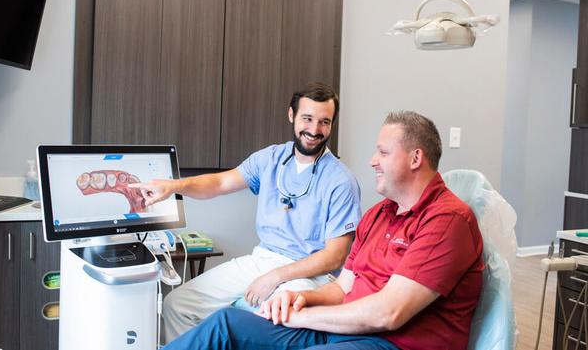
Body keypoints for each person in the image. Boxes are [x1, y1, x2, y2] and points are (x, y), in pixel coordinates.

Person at [162, 110, 485, 350]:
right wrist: (300, 298)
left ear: (415, 158)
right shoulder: (378, 215)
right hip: (346, 330)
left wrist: (300, 317)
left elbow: (389, 314)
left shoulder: (446, 220)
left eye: (383, 152)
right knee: (226, 324)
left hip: (395, 343)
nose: (372, 161)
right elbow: (342, 288)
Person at [130, 82, 361, 342]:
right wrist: (174, 186)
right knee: (178, 305)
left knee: (264, 323)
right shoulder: (270, 159)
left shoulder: (341, 181)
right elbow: (219, 183)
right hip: (262, 259)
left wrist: (275, 277)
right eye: (307, 118)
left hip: (310, 275)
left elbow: (334, 257)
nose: (315, 130)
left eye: (324, 122)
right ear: (291, 115)